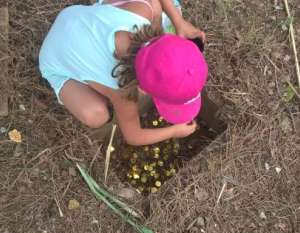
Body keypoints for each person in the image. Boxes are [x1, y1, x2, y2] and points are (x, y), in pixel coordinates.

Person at [39, 0, 208, 146]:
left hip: (71, 18)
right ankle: (69, 74)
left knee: (157, 11)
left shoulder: (147, 8)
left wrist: (179, 21)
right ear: (143, 89)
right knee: (96, 116)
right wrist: (173, 131)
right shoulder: (123, 92)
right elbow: (133, 136)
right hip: (53, 56)